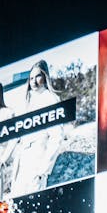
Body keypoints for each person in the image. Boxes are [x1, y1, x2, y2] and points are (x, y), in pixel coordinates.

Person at [12, 59, 65, 194]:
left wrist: (42, 169)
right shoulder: (27, 101)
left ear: (45, 76)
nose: (34, 81)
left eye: (38, 76)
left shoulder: (50, 99)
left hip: (37, 159)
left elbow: (57, 137)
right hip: (22, 161)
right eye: (31, 78)